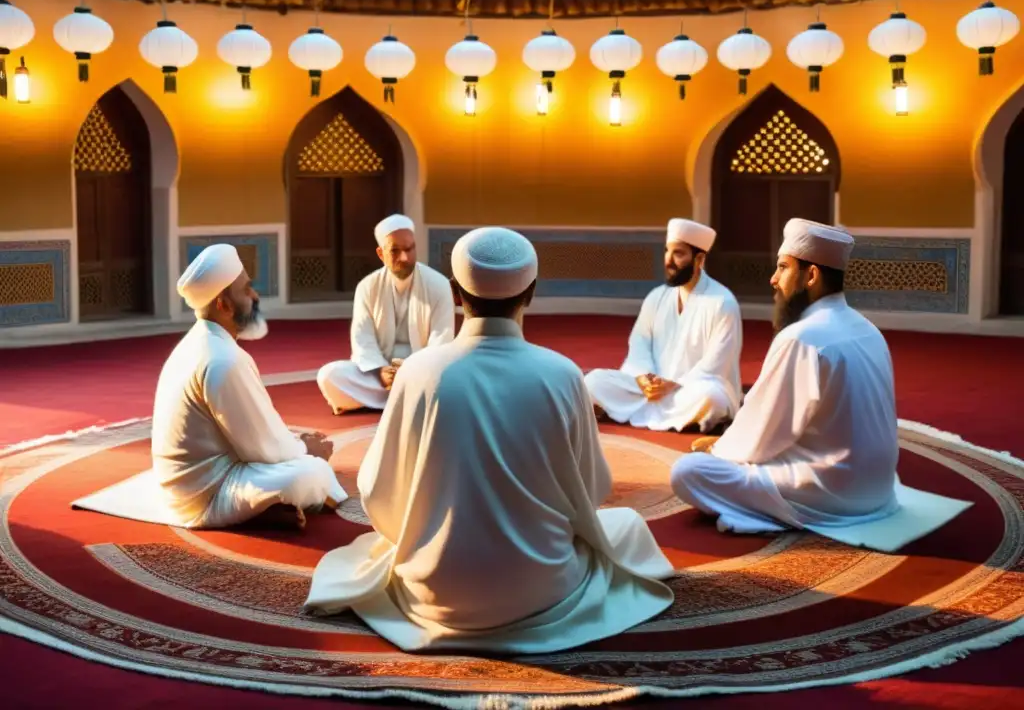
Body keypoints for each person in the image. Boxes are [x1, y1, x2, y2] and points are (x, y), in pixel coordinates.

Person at [303, 227, 674, 654]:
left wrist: (427, 535)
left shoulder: (419, 372)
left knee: (370, 553)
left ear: (457, 294)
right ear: (531, 293)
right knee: (625, 527)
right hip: (543, 591)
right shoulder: (563, 374)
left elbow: (375, 491)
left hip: (434, 596)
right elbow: (590, 491)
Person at [670, 219, 901, 534]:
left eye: (782, 267)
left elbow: (765, 429)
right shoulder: (868, 329)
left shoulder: (802, 337)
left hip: (833, 492)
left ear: (812, 275)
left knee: (688, 471)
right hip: (880, 487)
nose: (773, 279)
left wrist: (719, 449)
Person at [150, 244, 347, 530]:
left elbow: (254, 437)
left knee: (296, 456)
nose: (255, 296)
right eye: (246, 290)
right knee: (310, 472)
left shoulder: (199, 343)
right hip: (205, 495)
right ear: (223, 305)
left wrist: (293, 443)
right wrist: (308, 449)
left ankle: (269, 506)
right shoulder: (223, 359)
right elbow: (265, 450)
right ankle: (262, 507)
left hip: (190, 483)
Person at [585, 218, 743, 433]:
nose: (668, 261)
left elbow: (717, 364)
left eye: (678, 254)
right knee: (593, 381)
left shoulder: (722, 302)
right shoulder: (656, 297)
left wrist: (673, 383)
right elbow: (639, 344)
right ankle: (678, 417)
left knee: (711, 398)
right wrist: (643, 378)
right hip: (648, 392)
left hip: (689, 390)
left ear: (699, 259)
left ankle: (639, 411)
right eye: (667, 251)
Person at [316, 214, 455, 414]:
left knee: (453, 378)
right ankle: (410, 400)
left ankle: (398, 398)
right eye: (395, 251)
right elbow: (362, 337)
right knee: (329, 375)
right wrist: (380, 370)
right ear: (381, 254)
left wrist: (411, 369)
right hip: (381, 376)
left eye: (409, 249)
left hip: (423, 371)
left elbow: (442, 340)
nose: (405, 258)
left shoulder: (439, 284)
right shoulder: (367, 286)